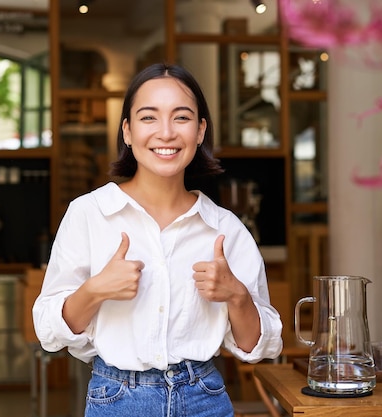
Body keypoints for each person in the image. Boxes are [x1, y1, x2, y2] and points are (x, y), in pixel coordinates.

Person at [32, 62, 283, 417]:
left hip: (205, 399)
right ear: (128, 131)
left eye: (181, 118)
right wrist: (96, 289)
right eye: (149, 118)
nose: (165, 133)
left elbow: (257, 346)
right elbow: (49, 332)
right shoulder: (88, 214)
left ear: (200, 131)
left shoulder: (224, 228)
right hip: (116, 400)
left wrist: (237, 296)